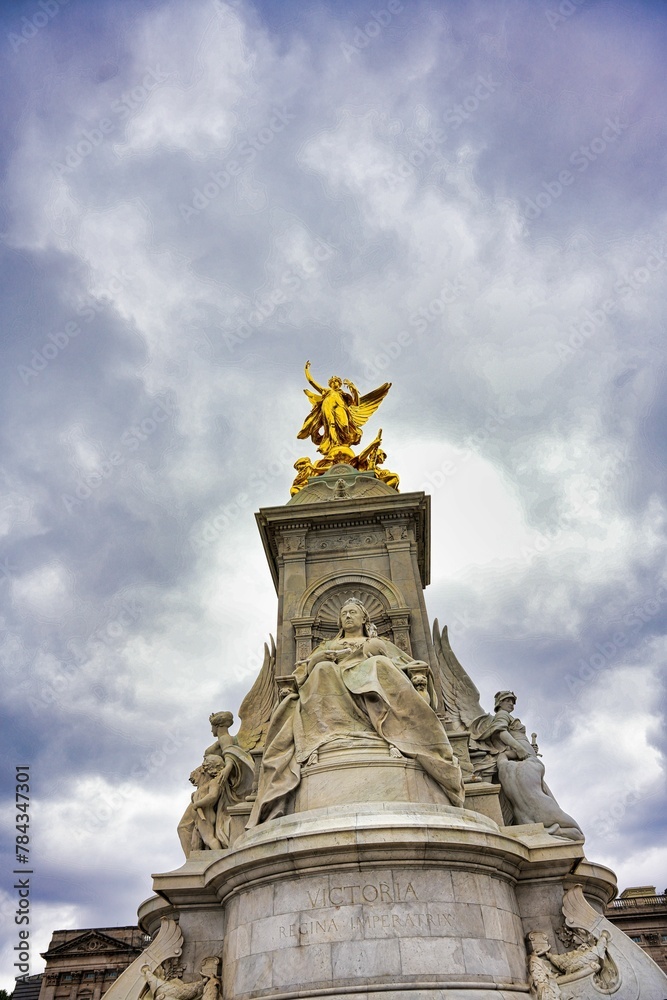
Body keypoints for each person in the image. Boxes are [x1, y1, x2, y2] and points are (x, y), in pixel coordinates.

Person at [247, 598, 464, 826]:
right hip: (333, 680)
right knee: (322, 670)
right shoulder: (327, 646)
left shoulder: (377, 643)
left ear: (364, 619)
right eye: (344, 614)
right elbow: (302, 672)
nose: (348, 616)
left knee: (380, 665)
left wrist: (373, 659)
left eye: (352, 612)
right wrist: (319, 659)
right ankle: (329, 738)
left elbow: (406, 664)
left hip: (369, 680)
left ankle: (386, 731)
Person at [470, 692, 584, 842]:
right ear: (500, 702)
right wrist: (520, 748)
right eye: (508, 701)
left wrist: (527, 749)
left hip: (523, 761)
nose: (512, 704)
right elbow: (502, 733)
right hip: (525, 760)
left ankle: (549, 830)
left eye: (513, 702)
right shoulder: (502, 715)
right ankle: (551, 831)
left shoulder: (507, 764)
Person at [297, 361, 391, 457]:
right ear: (330, 384)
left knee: (345, 426)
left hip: (341, 409)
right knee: (331, 425)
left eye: (336, 381)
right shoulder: (327, 391)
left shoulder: (344, 395)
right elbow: (312, 382)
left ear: (340, 383)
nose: (334, 383)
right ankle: (335, 443)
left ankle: (343, 443)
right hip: (328, 407)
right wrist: (306, 370)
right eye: (332, 382)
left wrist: (353, 389)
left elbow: (357, 404)